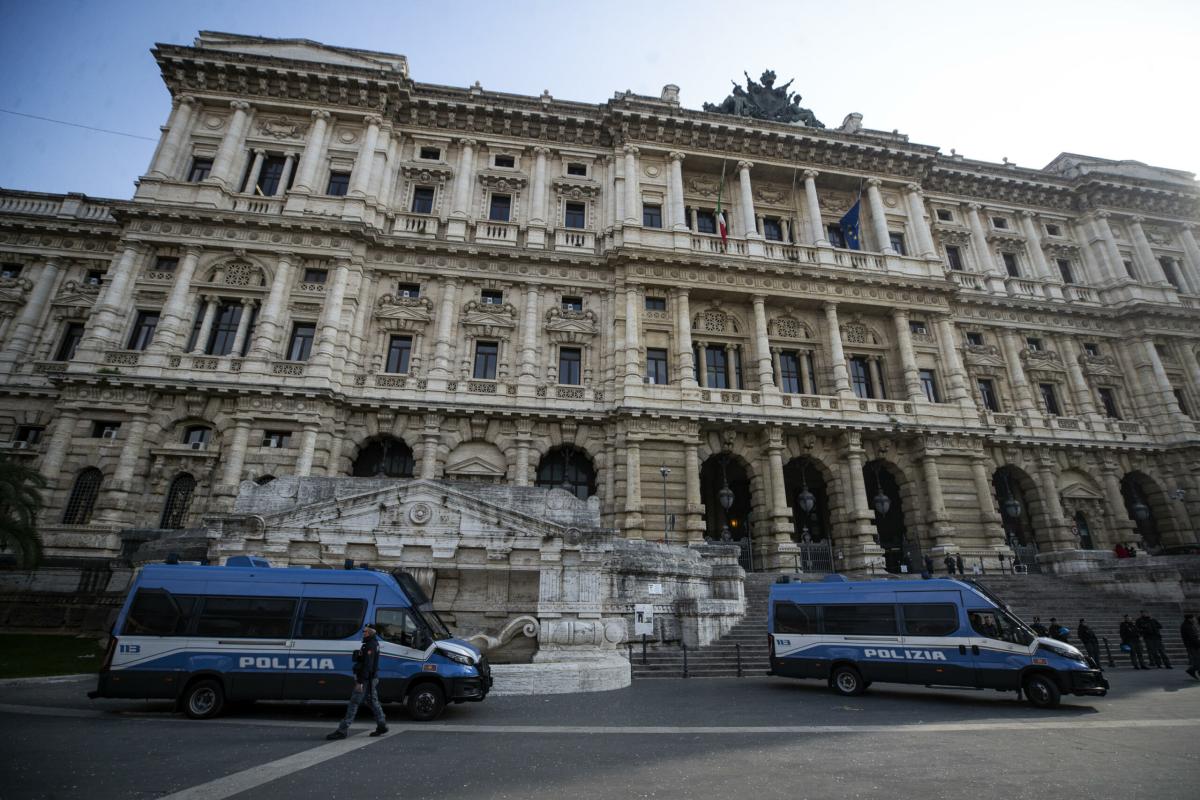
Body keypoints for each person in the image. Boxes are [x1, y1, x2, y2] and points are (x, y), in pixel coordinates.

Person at [327, 622, 388, 740]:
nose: (363, 632)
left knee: (354, 703)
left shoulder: (370, 645)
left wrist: (360, 682)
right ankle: (382, 725)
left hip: (366, 679)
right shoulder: (370, 643)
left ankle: (342, 730)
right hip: (370, 678)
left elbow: (368, 666)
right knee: (373, 702)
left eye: (365, 631)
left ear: (370, 632)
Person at [1181, 613, 1200, 680]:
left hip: (1193, 645)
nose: (1194, 619)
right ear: (1190, 619)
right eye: (1193, 618)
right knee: (1197, 661)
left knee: (1198, 660)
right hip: (1192, 646)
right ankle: (1190, 670)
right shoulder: (1187, 626)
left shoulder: (1189, 625)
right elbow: (1192, 638)